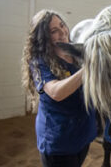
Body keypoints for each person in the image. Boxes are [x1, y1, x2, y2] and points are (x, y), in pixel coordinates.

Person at [21, 9, 97, 167]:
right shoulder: (39, 62)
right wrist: (88, 68)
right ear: (44, 38)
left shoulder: (77, 53)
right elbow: (56, 92)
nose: (63, 31)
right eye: (54, 31)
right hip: (59, 142)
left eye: (62, 25)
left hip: (82, 135)